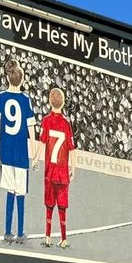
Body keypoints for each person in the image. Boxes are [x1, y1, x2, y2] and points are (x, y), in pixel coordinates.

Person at [0, 59, 37, 243]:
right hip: (20, 154)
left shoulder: (1, 98)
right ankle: (20, 233)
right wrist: (34, 156)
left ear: (8, 78)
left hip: (6, 152)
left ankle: (7, 232)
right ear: (22, 80)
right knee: (20, 193)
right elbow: (31, 130)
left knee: (9, 192)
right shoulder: (26, 100)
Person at [40, 87, 75, 248]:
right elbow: (72, 148)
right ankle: (64, 238)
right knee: (62, 206)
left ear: (49, 101)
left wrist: (34, 160)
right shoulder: (67, 123)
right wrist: (73, 168)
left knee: (49, 205)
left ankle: (47, 237)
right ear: (64, 102)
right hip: (62, 173)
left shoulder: (46, 121)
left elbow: (42, 142)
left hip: (50, 171)